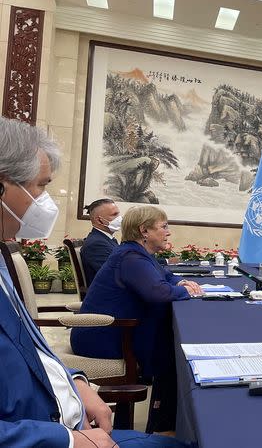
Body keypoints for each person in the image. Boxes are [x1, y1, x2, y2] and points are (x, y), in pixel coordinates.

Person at [0, 117, 185, 447]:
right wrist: (68, 441)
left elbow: (30, 346)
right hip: (50, 433)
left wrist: (78, 382)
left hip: (66, 416)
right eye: (41, 186)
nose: (45, 200)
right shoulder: (127, 255)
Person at [72, 205, 203, 433]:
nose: (168, 232)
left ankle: (164, 419)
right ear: (144, 231)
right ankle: (165, 423)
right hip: (101, 336)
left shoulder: (137, 253)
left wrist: (180, 283)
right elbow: (158, 292)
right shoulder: (131, 257)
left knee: (169, 339)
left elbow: (164, 277)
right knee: (172, 347)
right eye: (163, 227)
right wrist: (188, 291)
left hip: (112, 330)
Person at [81, 198, 121, 285]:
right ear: (99, 220)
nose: (119, 218)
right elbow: (115, 276)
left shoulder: (106, 239)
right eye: (114, 215)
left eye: (118, 214)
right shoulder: (96, 244)